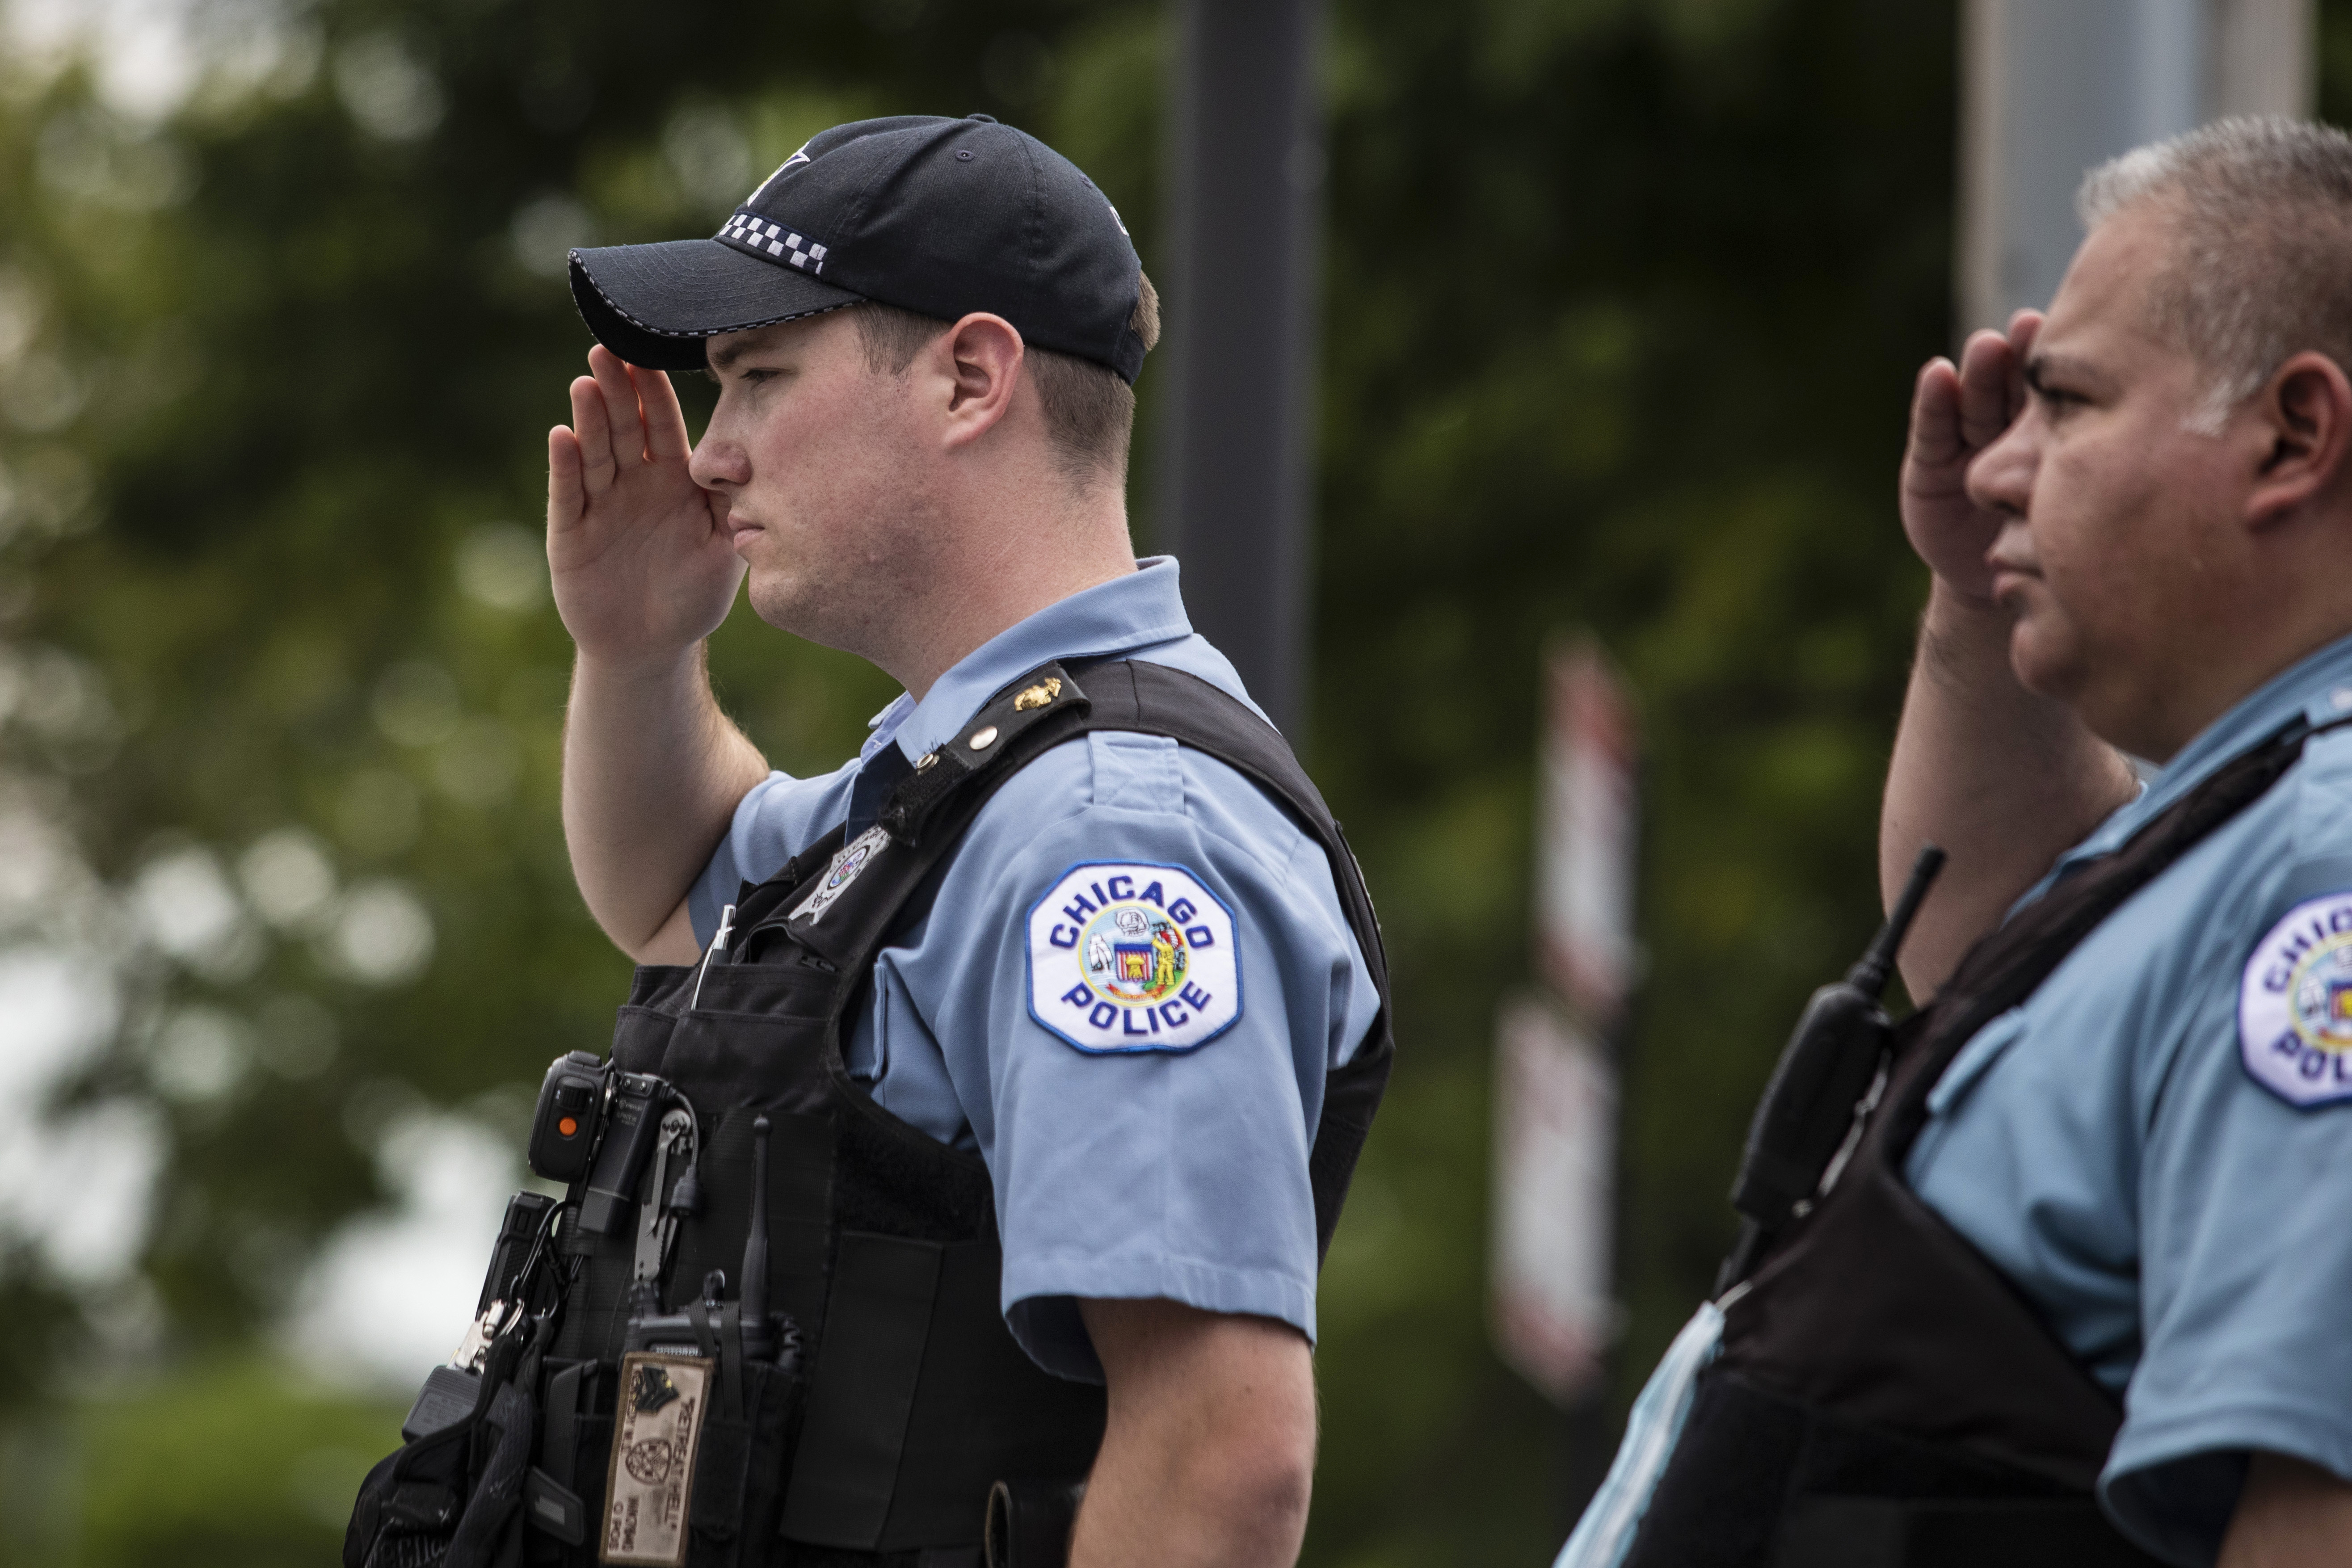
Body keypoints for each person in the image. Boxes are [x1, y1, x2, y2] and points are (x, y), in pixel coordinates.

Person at [540, 114, 1391, 1568]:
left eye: (758, 377)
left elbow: (1223, 1454)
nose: (715, 454)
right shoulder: (970, 773)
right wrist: (633, 652)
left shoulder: (1112, 835)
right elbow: (677, 887)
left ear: (971, 378)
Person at [1561, 115, 2352, 1568]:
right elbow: (1992, 955)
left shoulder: (2324, 872)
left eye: (2072, 403)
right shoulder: (2253, 807)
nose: (1999, 467)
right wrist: (1979, 601)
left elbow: (2315, 1514)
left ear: (2293, 437)